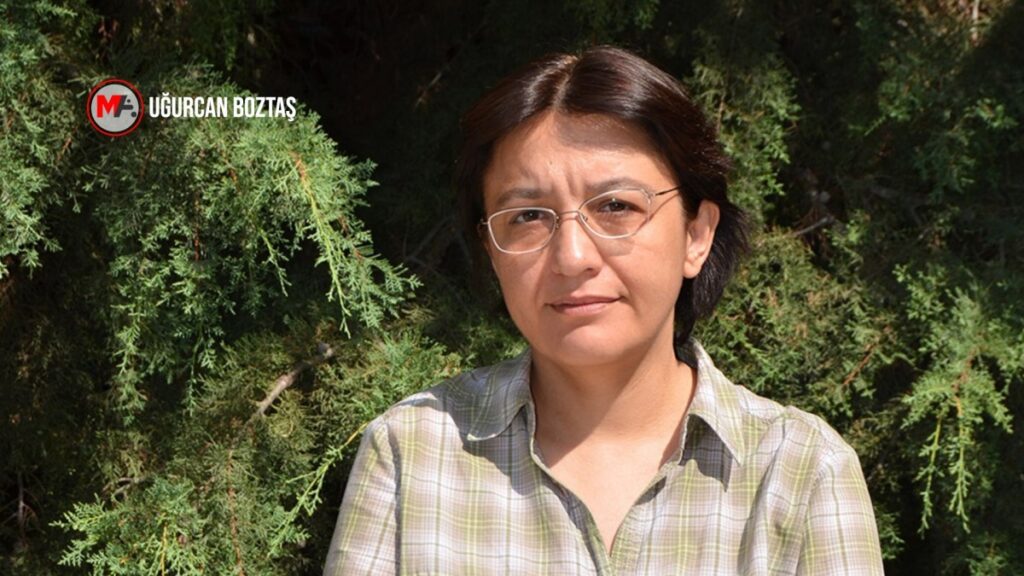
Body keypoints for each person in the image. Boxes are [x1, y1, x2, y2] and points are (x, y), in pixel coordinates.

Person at [324, 46, 884, 575]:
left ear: (696, 234)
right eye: (527, 216)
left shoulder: (801, 473)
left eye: (616, 206)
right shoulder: (413, 454)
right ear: (491, 250)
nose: (572, 257)